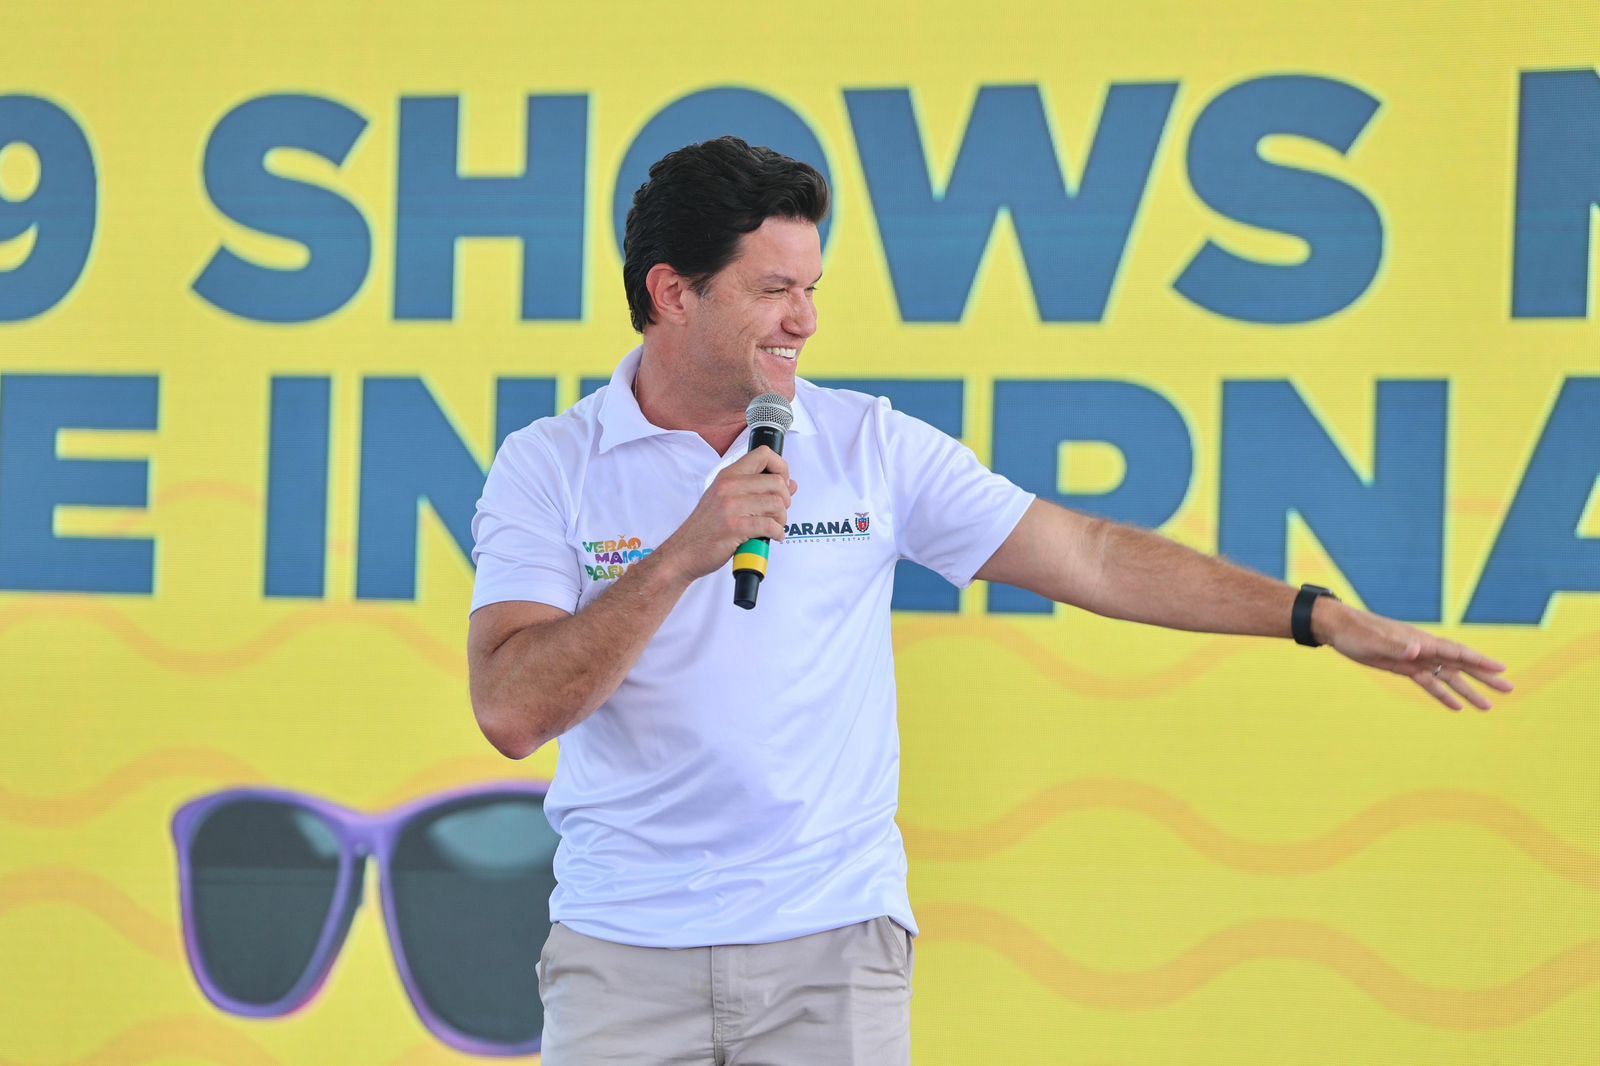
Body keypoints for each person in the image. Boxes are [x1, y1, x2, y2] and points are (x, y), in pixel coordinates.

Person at [465, 136, 1512, 1065]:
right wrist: (678, 557)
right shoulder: (550, 464)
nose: (806, 320)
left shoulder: (869, 444)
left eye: (813, 287)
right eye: (774, 289)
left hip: (832, 949)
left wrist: (1316, 616)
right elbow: (512, 711)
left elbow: (1091, 557)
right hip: (624, 951)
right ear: (672, 292)